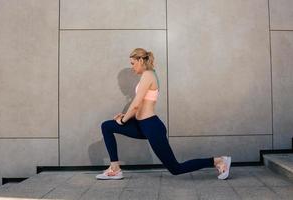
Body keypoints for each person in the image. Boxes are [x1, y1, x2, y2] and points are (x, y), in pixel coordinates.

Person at [96, 48, 231, 180]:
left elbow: (136, 104)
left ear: (141, 60)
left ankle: (218, 161)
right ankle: (115, 169)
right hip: (141, 125)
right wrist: (123, 116)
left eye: (133, 63)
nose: (132, 67)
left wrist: (123, 121)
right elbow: (139, 106)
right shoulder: (147, 75)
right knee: (107, 126)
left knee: (175, 168)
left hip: (151, 127)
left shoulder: (148, 75)